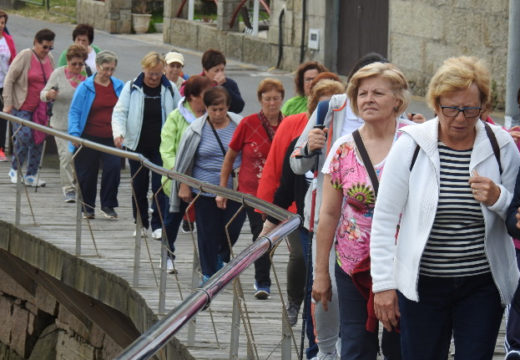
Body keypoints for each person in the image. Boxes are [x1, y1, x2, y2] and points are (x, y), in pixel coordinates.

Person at [370, 56, 520, 359]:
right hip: (422, 285)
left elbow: (515, 214)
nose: (461, 118)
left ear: (484, 107)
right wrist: (384, 285)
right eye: (451, 109)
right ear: (436, 105)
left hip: (481, 285)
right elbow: (385, 219)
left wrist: (498, 198)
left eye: (470, 109)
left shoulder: (501, 146)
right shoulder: (411, 145)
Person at [312, 63, 412, 359]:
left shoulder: (417, 141)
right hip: (353, 264)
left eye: (378, 93)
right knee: (356, 346)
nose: (367, 99)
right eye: (362, 93)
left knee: (402, 346)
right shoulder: (343, 148)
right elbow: (328, 214)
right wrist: (321, 274)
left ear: (397, 99)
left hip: (404, 264)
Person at [258, 79, 346, 359]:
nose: (334, 111)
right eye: (327, 105)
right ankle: (314, 349)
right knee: (317, 288)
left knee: (344, 293)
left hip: (346, 231)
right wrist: (269, 222)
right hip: (310, 226)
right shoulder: (301, 145)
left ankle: (342, 346)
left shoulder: (354, 143)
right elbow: (285, 188)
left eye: (338, 103)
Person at [216, 78, 285, 299]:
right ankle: (262, 281)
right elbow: (230, 157)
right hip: (251, 192)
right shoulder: (248, 124)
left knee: (272, 236)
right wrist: (222, 188)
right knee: (258, 233)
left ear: (282, 100)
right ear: (260, 100)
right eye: (267, 99)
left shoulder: (288, 125)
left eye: (276, 99)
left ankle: (257, 272)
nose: (272, 103)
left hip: (279, 192)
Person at [171, 86, 245, 283]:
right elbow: (187, 158)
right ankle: (208, 273)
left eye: (221, 109)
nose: (218, 113)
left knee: (232, 228)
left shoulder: (239, 125)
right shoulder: (196, 129)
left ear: (228, 107)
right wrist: (184, 185)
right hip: (204, 188)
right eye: (214, 109)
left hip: (234, 188)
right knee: (207, 232)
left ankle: (221, 256)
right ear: (207, 108)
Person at [112, 51, 181, 239]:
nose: (153, 77)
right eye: (151, 73)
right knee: (139, 186)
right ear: (144, 69)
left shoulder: (171, 89)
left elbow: (180, 114)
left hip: (161, 147)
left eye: (158, 73)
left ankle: (158, 224)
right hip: (137, 145)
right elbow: (120, 112)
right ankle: (141, 222)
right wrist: (119, 134)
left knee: (160, 185)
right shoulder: (131, 87)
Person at [161, 75, 212, 273]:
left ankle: (204, 262)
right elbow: (166, 149)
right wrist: (179, 174)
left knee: (206, 224)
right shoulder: (176, 117)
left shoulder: (213, 115)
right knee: (172, 220)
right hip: (177, 179)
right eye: (205, 95)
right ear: (192, 97)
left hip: (204, 179)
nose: (209, 99)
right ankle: (167, 253)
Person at [68, 50, 124, 220]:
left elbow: (124, 110)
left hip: (110, 137)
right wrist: (75, 133)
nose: (108, 73)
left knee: (113, 168)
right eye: (105, 69)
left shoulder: (119, 86)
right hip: (88, 136)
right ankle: (87, 206)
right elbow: (75, 111)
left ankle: (108, 205)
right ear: (98, 66)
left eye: (112, 69)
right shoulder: (85, 87)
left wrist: (122, 132)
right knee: (87, 173)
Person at [4, 28, 54, 187]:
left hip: (40, 108)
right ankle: (14, 169)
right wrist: (7, 103)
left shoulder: (50, 58)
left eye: (50, 47)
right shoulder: (25, 56)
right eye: (44, 47)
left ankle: (31, 174)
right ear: (35, 43)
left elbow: (52, 80)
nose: (46, 51)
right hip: (22, 105)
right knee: (24, 136)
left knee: (38, 139)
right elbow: (9, 79)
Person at [40, 44, 87, 203]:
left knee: (77, 156)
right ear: (67, 61)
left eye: (80, 64)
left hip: (78, 125)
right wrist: (49, 94)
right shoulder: (58, 74)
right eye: (74, 63)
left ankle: (76, 183)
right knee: (66, 155)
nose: (77, 67)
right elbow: (42, 94)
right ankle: (68, 189)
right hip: (60, 123)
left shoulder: (85, 77)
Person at [182, 48, 244, 114]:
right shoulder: (195, 83)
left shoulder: (230, 84)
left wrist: (224, 86)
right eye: (216, 71)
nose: (220, 74)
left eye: (222, 70)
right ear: (205, 70)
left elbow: (239, 107)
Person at [0, 10, 16, 162]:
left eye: (3, 23)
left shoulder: (8, 40)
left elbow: (14, 61)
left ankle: (1, 149)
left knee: (3, 116)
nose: (1, 25)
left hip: (4, 83)